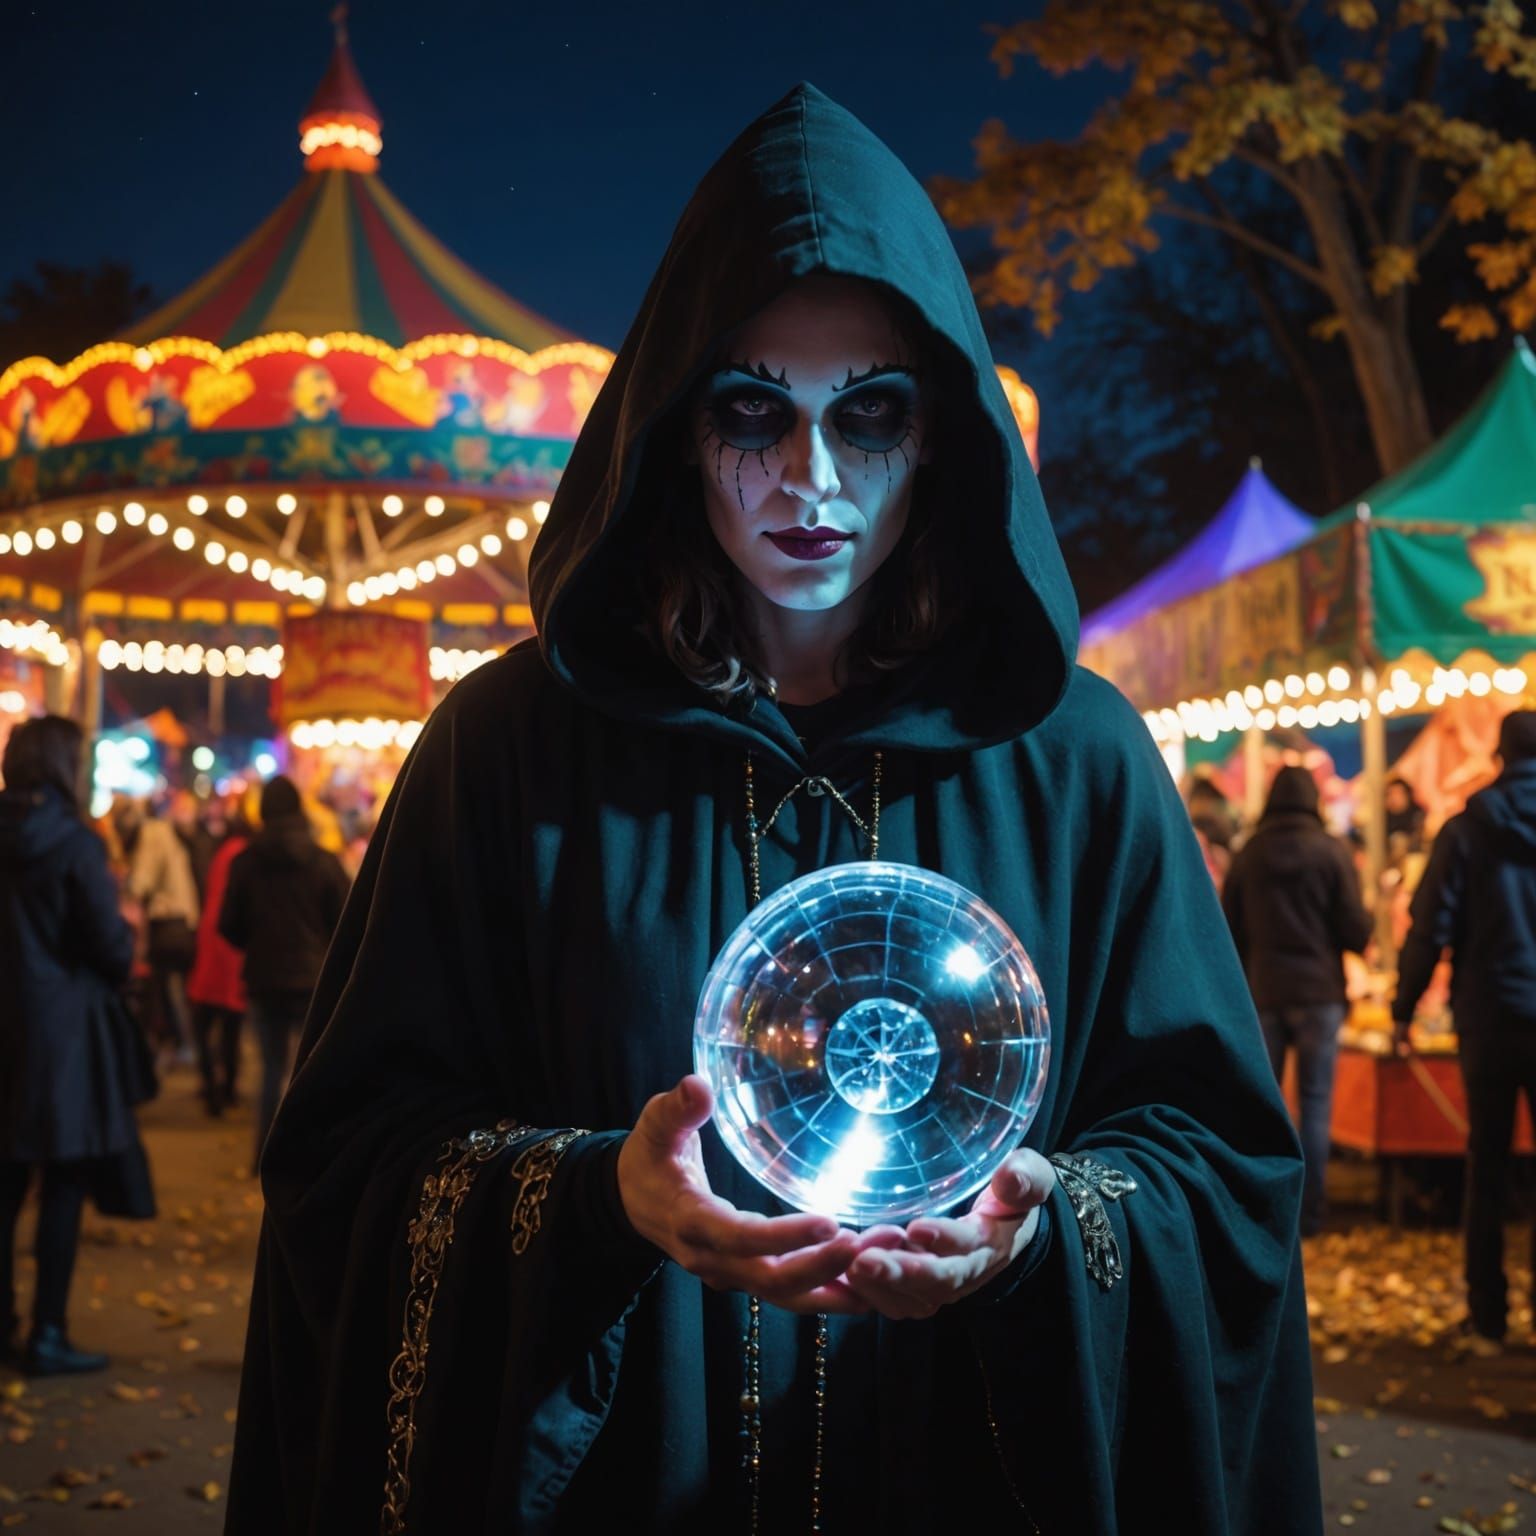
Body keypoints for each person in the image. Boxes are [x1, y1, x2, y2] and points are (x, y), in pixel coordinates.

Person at [226, 85, 1320, 1533]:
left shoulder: (1076, 762)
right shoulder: (505, 753)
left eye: (868, 415)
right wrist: (594, 1199)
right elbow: (350, 1161)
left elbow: (1217, 1168)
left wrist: (1043, 1233)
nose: (812, 479)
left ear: (936, 435)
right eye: (755, 410)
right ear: (679, 428)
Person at [0, 717, 144, 1375]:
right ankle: (48, 1332)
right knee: (63, 1180)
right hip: (63, 1038)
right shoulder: (76, 846)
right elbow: (109, 950)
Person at [1393, 710, 1536, 1355]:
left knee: (1488, 1160)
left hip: (1492, 1012)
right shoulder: (1470, 827)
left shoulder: (1469, 828)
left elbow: (1431, 924)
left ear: (1500, 756)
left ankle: (1488, 1315)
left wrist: (1404, 1008)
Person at [1222, 765, 1373, 1236]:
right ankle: (1311, 1213)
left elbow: (1228, 929)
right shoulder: (1330, 852)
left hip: (1265, 992)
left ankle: (1264, 1209)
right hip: (1319, 994)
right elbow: (1356, 931)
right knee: (1315, 1102)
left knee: (1262, 1104)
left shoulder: (1250, 854)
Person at [218, 776, 348, 1165]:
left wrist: (256, 945)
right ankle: (310, 1155)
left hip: (263, 978)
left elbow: (229, 924)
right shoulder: (324, 861)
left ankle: (266, 1154)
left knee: (271, 1068)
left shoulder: (246, 863)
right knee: (311, 1069)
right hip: (313, 979)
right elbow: (344, 919)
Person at [117, 798, 200, 1066]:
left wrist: (127, 893)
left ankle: (183, 1043)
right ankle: (184, 1042)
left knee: (167, 987)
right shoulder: (164, 832)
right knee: (176, 987)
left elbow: (142, 880)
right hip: (185, 919)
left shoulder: (152, 835)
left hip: (169, 922)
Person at [186, 810, 250, 1117]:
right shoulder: (244, 855)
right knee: (230, 1024)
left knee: (204, 1022)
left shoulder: (222, 853)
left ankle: (212, 1087)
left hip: (211, 941)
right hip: (233, 947)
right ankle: (227, 1091)